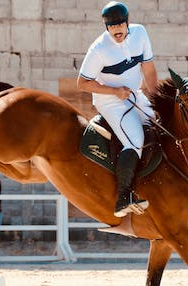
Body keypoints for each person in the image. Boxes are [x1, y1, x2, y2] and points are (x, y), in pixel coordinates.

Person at [77, 1, 159, 218]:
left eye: (120, 24)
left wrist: (158, 99)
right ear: (106, 27)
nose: (116, 30)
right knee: (135, 140)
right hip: (110, 101)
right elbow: (82, 83)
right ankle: (123, 197)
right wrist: (114, 91)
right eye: (111, 26)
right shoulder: (99, 49)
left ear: (127, 22)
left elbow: (149, 71)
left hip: (134, 94)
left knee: (164, 127)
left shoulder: (140, 34)